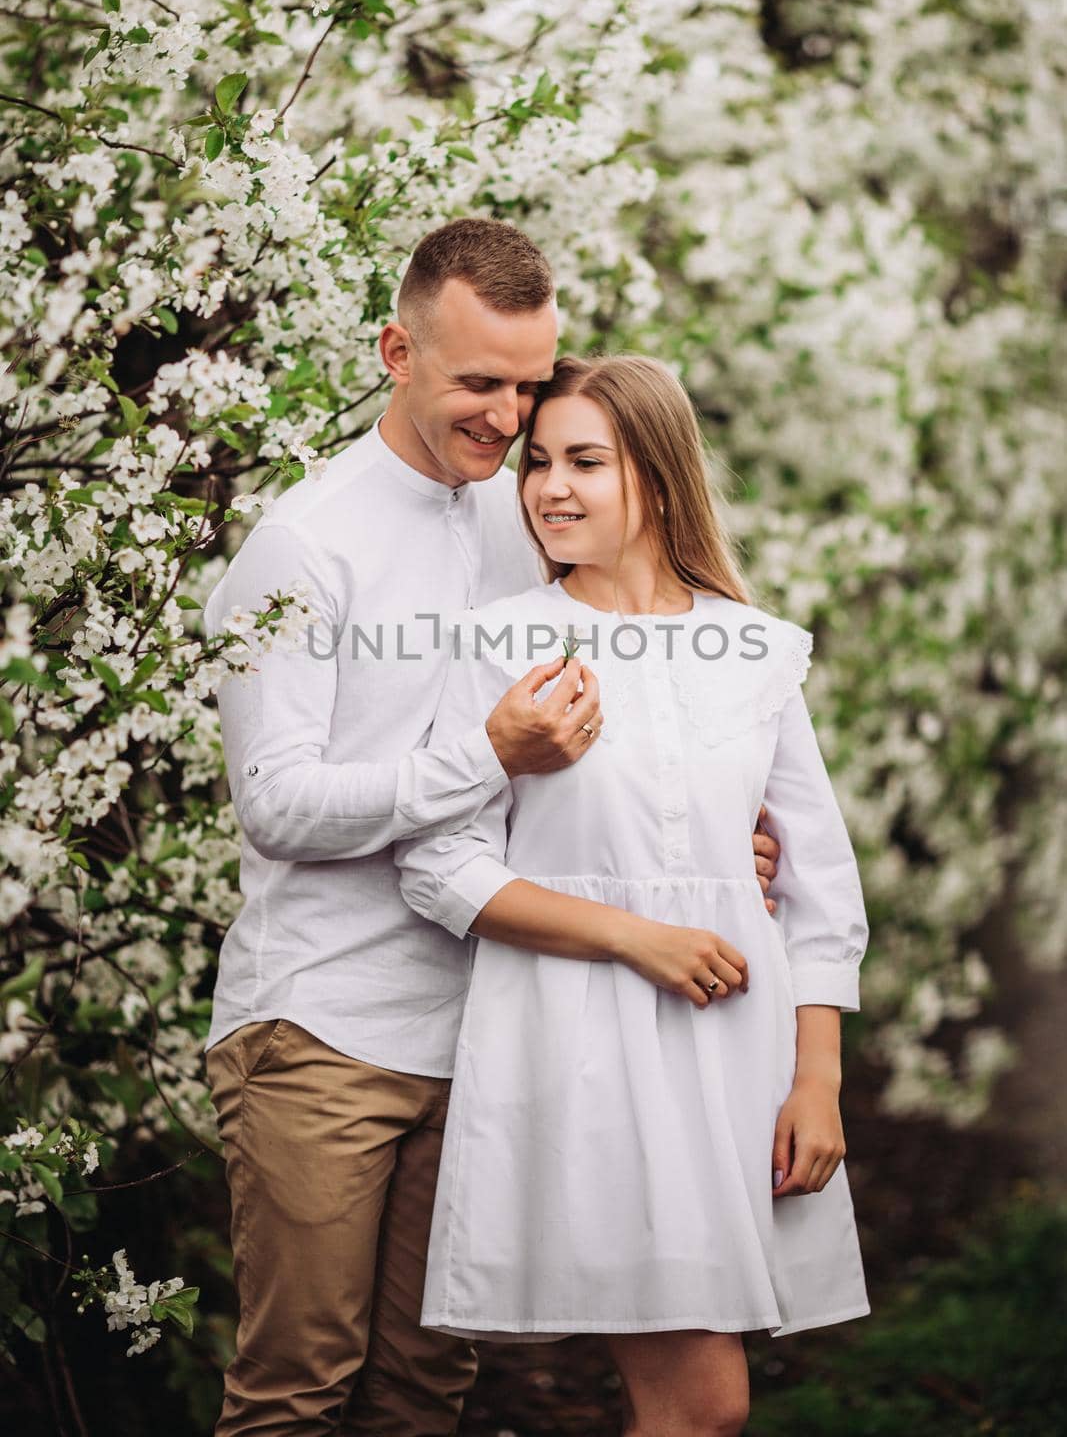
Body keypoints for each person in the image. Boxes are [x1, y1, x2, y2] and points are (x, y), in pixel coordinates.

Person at [203, 221, 782, 1437]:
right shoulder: (302, 547)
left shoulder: (530, 513)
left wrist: (717, 834)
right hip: (324, 1026)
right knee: (294, 1393)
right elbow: (277, 802)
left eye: (527, 385)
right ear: (394, 351)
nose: (508, 416)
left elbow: (615, 730)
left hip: (491, 1028)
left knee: (426, 1395)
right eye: (479, 382)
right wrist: (483, 756)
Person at [395, 353, 871, 1437]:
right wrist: (633, 937)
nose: (548, 487)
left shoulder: (753, 650)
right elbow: (438, 865)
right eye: (538, 463)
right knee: (702, 1404)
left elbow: (815, 887)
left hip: (731, 1062)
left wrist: (817, 1079)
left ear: (653, 476)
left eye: (584, 463)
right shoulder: (498, 643)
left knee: (696, 1406)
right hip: (579, 1047)